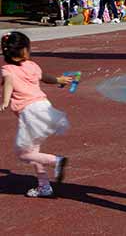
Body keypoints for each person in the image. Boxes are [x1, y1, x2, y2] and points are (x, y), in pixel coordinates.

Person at [1, 31, 73, 198]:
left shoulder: (7, 70)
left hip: (30, 113)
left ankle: (56, 161)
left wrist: (5, 101)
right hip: (44, 107)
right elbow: (45, 77)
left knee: (23, 153)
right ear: (24, 51)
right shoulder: (32, 66)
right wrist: (59, 80)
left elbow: (8, 84)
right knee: (34, 151)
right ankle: (44, 186)